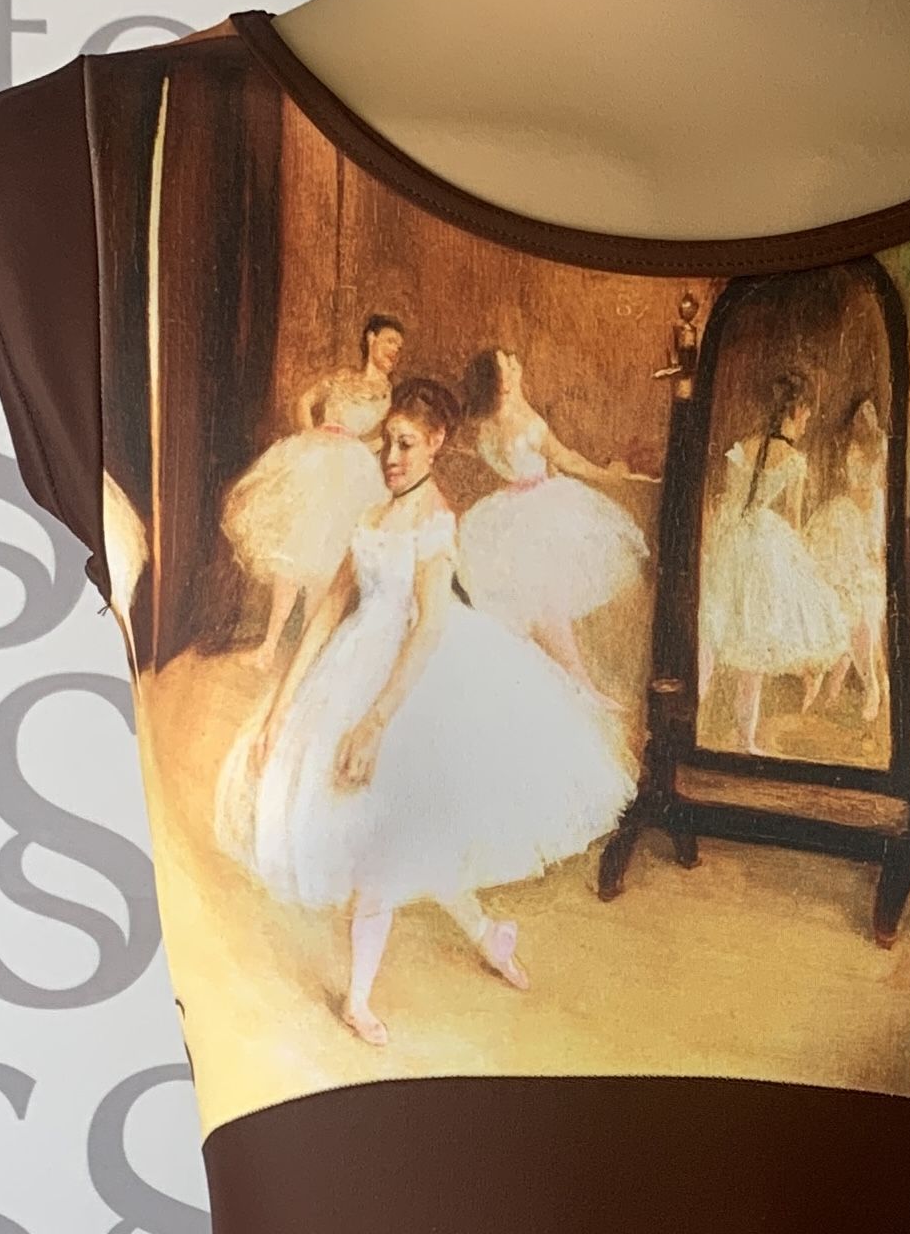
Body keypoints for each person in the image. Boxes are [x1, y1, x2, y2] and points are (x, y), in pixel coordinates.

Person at [217, 377, 635, 1048]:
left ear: (437, 443)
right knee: (403, 837)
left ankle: (358, 1000)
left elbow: (431, 625)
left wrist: (376, 721)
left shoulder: (435, 521)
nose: (391, 456)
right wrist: (281, 706)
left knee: (388, 844)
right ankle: (489, 935)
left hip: (414, 679)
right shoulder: (372, 516)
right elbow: (330, 608)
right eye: (388, 441)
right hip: (356, 662)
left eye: (407, 444)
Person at [454, 344, 652, 679]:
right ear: (501, 380)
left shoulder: (484, 425)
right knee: (549, 598)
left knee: (530, 601)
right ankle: (576, 678)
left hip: (507, 508)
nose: (515, 367)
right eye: (507, 366)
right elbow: (569, 460)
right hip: (540, 507)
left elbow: (515, 463)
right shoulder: (527, 422)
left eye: (512, 363)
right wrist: (613, 478)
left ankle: (553, 673)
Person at [220, 312, 405, 670]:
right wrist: (311, 436)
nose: (394, 351)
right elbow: (304, 401)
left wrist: (355, 449)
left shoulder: (388, 394)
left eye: (399, 347)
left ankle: (306, 655)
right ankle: (268, 648)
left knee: (327, 561)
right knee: (293, 551)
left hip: (349, 473)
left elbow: (383, 440)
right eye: (389, 341)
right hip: (315, 461)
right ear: (370, 338)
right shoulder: (342, 378)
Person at [699, 370, 851, 752]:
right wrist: (805, 563)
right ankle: (746, 738)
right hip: (763, 547)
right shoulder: (794, 461)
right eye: (806, 415)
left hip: (730, 542)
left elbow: (729, 501)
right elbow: (794, 522)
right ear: (796, 410)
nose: (807, 422)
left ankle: (703, 722)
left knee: (717, 633)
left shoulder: (741, 448)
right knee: (755, 647)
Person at [808, 390, 889, 726]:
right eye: (859, 416)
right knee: (842, 604)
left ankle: (874, 688)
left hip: (869, 517)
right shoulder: (850, 447)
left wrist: (874, 538)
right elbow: (851, 485)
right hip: (848, 515)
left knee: (864, 610)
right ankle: (835, 686)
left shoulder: (881, 447)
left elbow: (876, 487)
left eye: (868, 415)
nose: (862, 420)